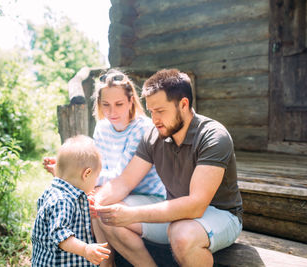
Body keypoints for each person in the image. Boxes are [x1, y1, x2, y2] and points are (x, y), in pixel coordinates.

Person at [94, 69, 243, 267]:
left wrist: (132, 215)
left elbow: (196, 205)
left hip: (221, 215)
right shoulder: (153, 135)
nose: (154, 119)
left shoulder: (213, 136)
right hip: (175, 213)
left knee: (182, 235)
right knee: (108, 214)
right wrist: (96, 202)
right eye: (151, 111)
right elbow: (124, 182)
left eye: (161, 111)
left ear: (183, 104)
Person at [44, 69, 167, 267]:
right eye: (106, 105)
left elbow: (121, 176)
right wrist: (67, 168)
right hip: (118, 192)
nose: (112, 112)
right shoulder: (102, 127)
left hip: (149, 197)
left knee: (102, 209)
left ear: (130, 102)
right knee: (94, 202)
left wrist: (71, 174)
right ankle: (106, 264)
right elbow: (96, 168)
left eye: (119, 104)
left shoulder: (142, 128)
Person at [31, 135, 111, 266]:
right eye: (96, 177)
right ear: (87, 174)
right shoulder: (63, 201)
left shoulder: (56, 191)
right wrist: (85, 249)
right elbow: (60, 234)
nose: (96, 182)